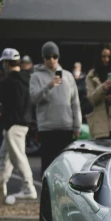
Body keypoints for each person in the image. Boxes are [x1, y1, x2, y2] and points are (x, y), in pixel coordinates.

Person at [30, 41, 81, 174]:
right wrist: (49, 85)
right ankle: (45, 193)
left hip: (66, 126)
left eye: (54, 56)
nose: (51, 60)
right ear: (43, 58)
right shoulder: (36, 76)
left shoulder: (68, 76)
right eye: (48, 57)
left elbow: (75, 102)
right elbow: (34, 99)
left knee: (65, 165)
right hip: (47, 128)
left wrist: (77, 126)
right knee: (48, 165)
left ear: (58, 57)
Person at [0, 48, 37, 202]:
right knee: (4, 156)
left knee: (18, 157)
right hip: (23, 122)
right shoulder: (27, 78)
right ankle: (0, 187)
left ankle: (29, 188)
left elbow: (3, 104)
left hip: (13, 124)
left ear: (7, 63)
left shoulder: (8, 82)